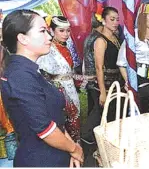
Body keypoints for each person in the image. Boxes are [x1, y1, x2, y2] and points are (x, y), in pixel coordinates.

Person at [0, 10, 83, 167]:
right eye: (42, 31)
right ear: (22, 38)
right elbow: (45, 129)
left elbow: (54, 118)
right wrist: (74, 149)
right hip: (41, 160)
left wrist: (70, 147)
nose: (49, 36)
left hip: (55, 155)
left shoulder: (30, 70)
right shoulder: (20, 76)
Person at [81, 6, 125, 144]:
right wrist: (102, 92)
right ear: (104, 21)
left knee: (112, 114)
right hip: (103, 84)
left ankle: (109, 141)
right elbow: (99, 67)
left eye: (117, 19)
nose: (115, 22)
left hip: (115, 82)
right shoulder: (100, 40)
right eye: (112, 19)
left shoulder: (116, 38)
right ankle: (91, 140)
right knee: (101, 114)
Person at [37, 16, 81, 144]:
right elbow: (40, 73)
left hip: (71, 90)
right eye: (61, 31)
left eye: (68, 31)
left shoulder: (66, 47)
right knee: (63, 125)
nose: (66, 34)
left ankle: (77, 152)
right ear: (51, 30)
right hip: (57, 93)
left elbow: (68, 73)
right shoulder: (47, 49)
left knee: (75, 123)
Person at [117, 3, 149, 113]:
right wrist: (128, 82)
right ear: (143, 18)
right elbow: (121, 62)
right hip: (138, 79)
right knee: (144, 108)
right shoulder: (133, 36)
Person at [82, 13, 103, 118]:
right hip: (95, 78)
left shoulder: (89, 36)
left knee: (92, 107)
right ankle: (90, 132)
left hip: (89, 78)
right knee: (98, 110)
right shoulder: (99, 38)